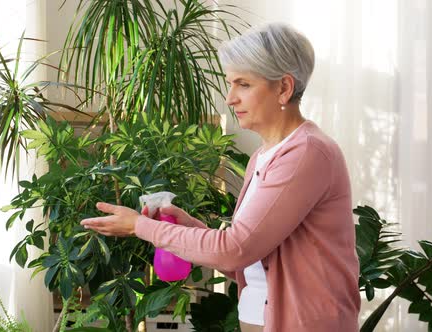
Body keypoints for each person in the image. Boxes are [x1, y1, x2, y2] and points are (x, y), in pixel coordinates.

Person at [81, 23, 360, 332]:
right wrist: (190, 225)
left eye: (243, 85)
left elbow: (235, 249)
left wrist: (140, 226)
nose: (229, 98)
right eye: (230, 84)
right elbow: (248, 254)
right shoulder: (266, 154)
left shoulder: (305, 153)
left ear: (283, 88)